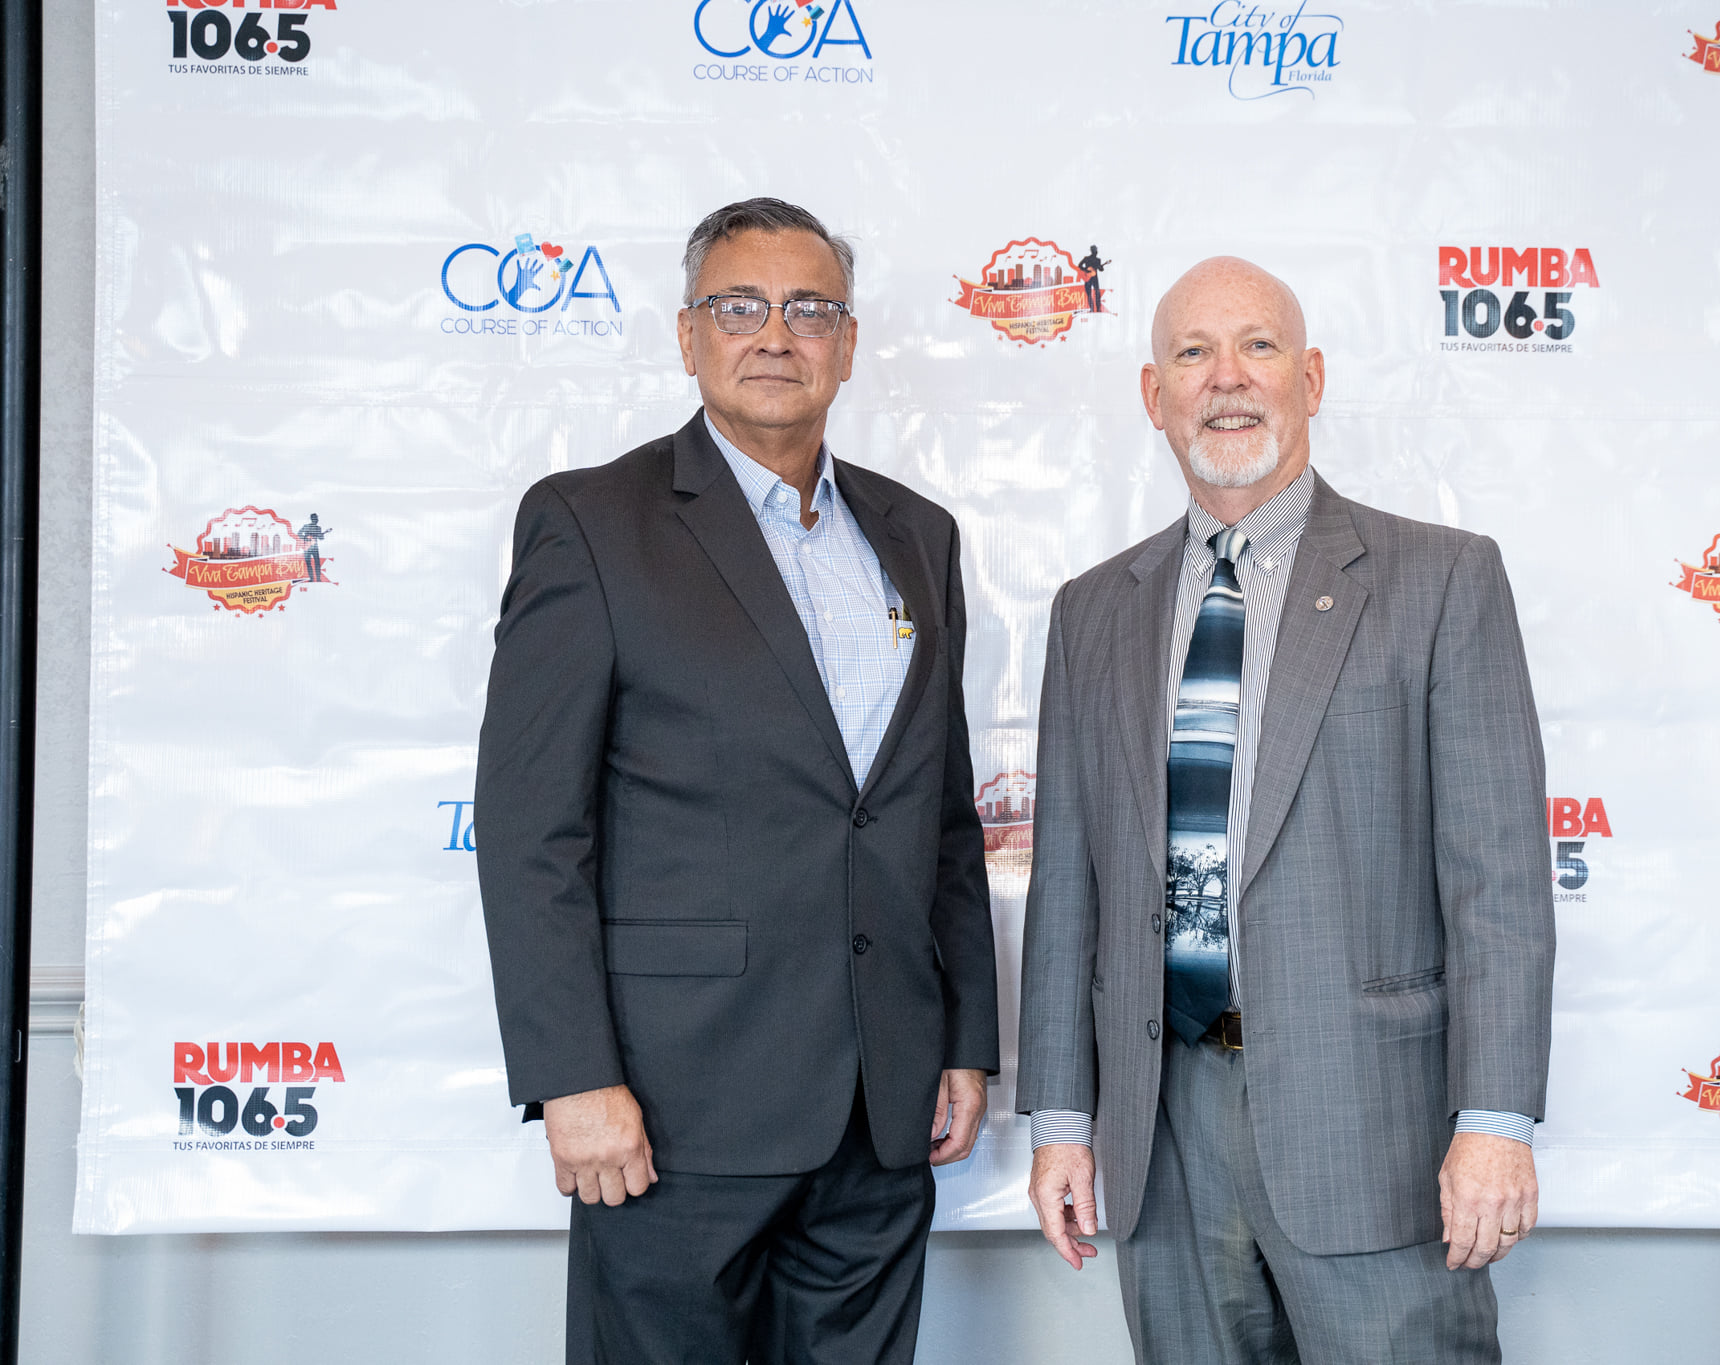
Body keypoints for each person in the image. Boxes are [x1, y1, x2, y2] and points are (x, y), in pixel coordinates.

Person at [475, 197, 1000, 1365]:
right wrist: (572, 1079)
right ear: (687, 335)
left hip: (879, 1112)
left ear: (846, 344)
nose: (775, 334)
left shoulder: (916, 536)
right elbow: (530, 830)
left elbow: (939, 815)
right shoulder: (590, 524)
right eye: (739, 307)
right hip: (672, 1113)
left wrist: (963, 1034)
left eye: (809, 310)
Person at [1018, 257, 1554, 1362]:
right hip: (1162, 1130)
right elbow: (1068, 883)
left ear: (1309, 378)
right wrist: (1063, 1119)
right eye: (1192, 353)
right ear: (1153, 394)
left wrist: (1495, 1122)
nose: (1227, 378)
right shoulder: (1091, 612)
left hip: (1375, 1129)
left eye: (1257, 346)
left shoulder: (1440, 579)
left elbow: (1497, 880)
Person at [296, 513, 330, 583]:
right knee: (309, 563)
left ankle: (317, 579)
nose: (316, 520)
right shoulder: (306, 526)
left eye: (316, 518)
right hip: (307, 547)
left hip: (314, 547)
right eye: (315, 518)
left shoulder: (318, 528)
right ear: (312, 519)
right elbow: (299, 533)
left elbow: (321, 538)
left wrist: (322, 534)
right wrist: (305, 538)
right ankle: (312, 578)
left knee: (316, 563)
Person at [1078, 245, 1112, 313]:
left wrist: (1101, 267)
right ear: (1093, 251)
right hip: (1089, 278)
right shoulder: (1087, 258)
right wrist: (1086, 270)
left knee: (1096, 293)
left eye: (1096, 250)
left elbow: (1100, 269)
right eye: (1095, 250)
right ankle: (1093, 309)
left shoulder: (1097, 260)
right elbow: (1080, 265)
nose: (1096, 252)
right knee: (1091, 293)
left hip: (1093, 278)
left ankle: (1097, 309)